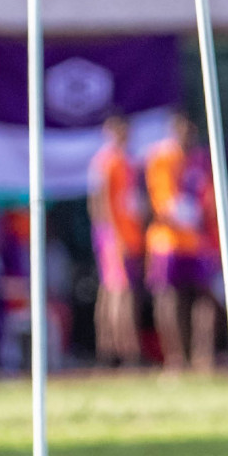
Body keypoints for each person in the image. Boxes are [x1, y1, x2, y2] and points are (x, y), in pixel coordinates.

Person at [144, 113, 220, 371]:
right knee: (169, 299)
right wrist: (186, 214)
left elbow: (209, 197)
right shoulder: (163, 158)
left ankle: (202, 356)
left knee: (205, 299)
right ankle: (175, 357)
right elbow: (162, 202)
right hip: (170, 241)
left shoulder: (200, 160)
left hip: (198, 242)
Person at [87, 114, 144, 367]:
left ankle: (112, 349)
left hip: (128, 234)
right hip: (113, 235)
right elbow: (99, 202)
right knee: (119, 291)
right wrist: (111, 234)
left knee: (113, 290)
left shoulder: (128, 161)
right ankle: (121, 351)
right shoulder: (105, 162)